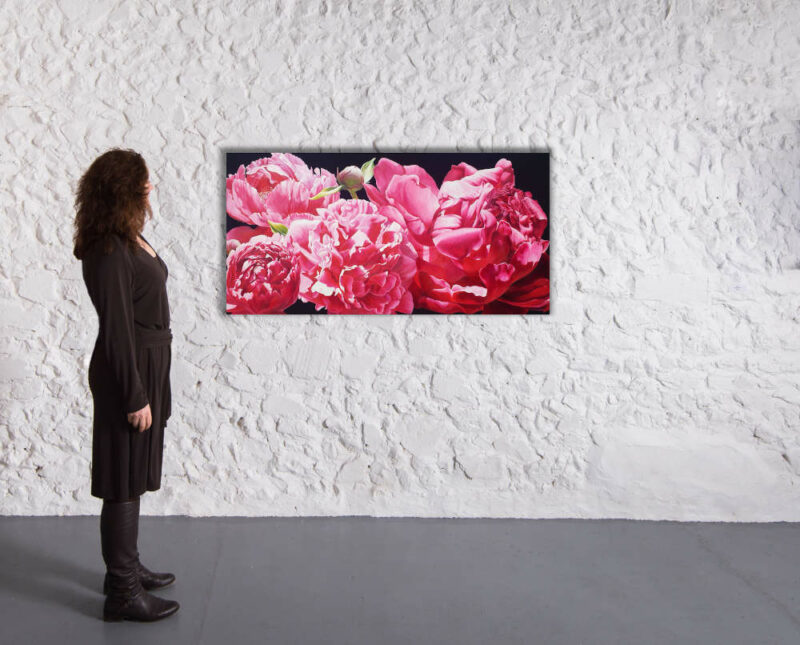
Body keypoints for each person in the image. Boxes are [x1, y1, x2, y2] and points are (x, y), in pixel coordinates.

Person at [73, 148, 179, 622]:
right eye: (143, 181)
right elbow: (116, 328)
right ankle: (122, 592)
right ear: (122, 188)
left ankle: (128, 567)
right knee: (121, 479)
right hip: (128, 367)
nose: (150, 187)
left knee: (133, 473)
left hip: (148, 361)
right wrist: (136, 394)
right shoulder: (111, 250)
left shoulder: (127, 237)